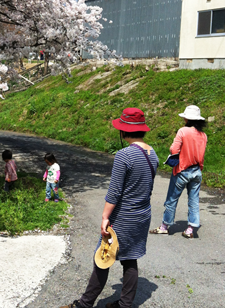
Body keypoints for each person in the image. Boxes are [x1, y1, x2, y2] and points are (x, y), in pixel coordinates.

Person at [61, 108, 158, 308]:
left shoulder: (124, 155)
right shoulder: (152, 153)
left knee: (103, 256)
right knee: (130, 259)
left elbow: (114, 192)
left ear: (123, 131)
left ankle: (84, 304)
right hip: (142, 215)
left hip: (123, 217)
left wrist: (105, 217)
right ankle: (124, 305)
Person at [150, 105, 207, 239]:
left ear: (187, 118)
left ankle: (164, 227)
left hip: (182, 170)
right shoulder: (203, 135)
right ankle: (191, 229)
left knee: (172, 199)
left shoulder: (183, 131)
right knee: (193, 201)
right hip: (197, 171)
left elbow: (173, 150)